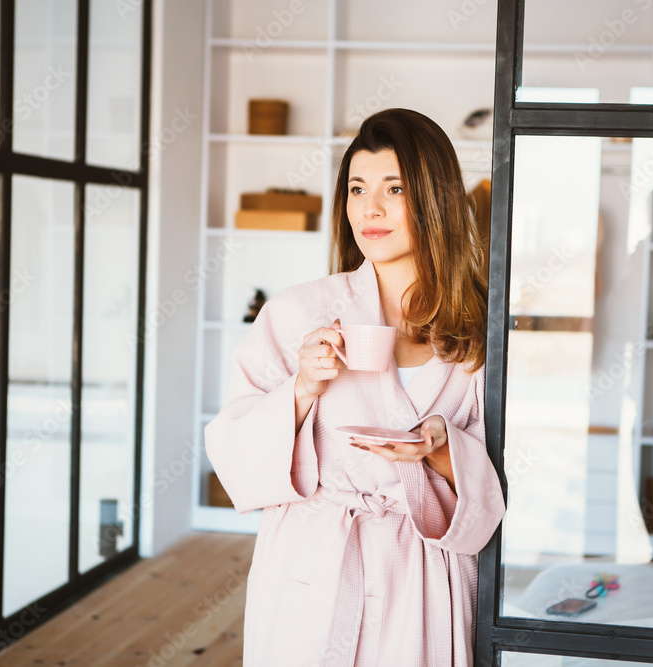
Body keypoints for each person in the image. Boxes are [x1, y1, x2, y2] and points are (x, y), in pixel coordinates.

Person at [204, 108, 506, 666]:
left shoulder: (478, 328)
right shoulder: (297, 312)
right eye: (358, 189)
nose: (371, 209)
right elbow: (231, 447)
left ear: (435, 198)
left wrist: (439, 447)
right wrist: (301, 389)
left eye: (395, 188)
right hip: (313, 562)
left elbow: (504, 473)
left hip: (421, 570)